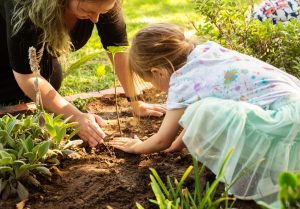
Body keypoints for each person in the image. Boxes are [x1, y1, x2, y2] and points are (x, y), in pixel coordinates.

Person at [109, 23, 300, 207]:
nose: (154, 86)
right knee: (201, 109)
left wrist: (137, 147)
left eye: (150, 81)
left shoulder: (181, 83)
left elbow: (161, 140)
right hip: (292, 106)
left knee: (202, 111)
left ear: (157, 72)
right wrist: (177, 145)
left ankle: (270, 173)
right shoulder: (206, 52)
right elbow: (201, 103)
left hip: (285, 126)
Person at [0, 0, 165, 147]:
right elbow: (27, 75)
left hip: (27, 49)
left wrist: (135, 101)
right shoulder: (25, 4)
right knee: (14, 92)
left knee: (52, 78)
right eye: (90, 11)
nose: (96, 19)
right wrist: (77, 117)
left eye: (102, 11)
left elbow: (117, 48)